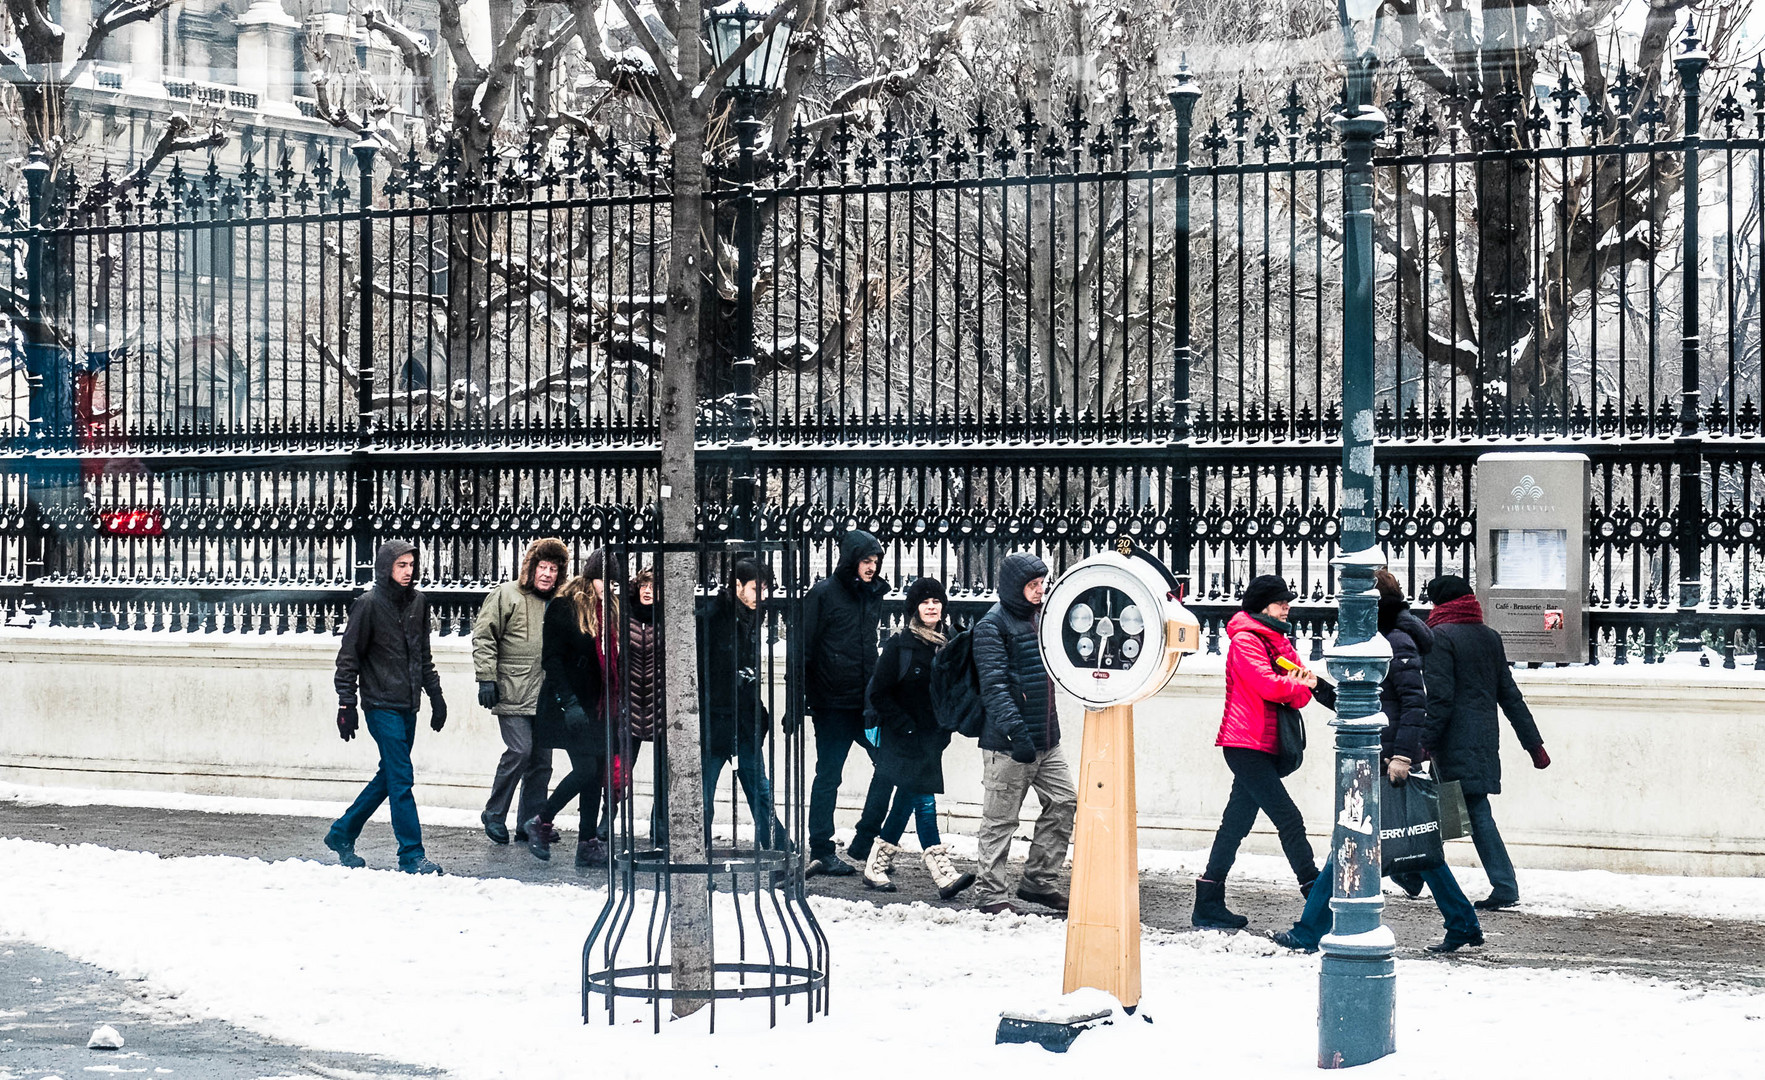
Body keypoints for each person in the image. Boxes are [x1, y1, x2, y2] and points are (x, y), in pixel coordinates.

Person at [1272, 570, 1483, 954]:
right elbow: (1359, 704)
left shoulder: (1396, 640)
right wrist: (1317, 685)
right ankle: (1463, 921)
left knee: (1350, 843)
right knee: (1415, 843)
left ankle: (1307, 932)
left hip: (1388, 759)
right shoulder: (1374, 641)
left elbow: (1415, 703)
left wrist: (1403, 755)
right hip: (1375, 756)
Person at [1191, 574, 1319, 930]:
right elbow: (1269, 685)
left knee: (1235, 823)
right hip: (1245, 744)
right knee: (1289, 818)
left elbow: (1303, 688)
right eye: (1281, 603)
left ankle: (1208, 901)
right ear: (1264, 605)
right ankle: (1316, 893)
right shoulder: (1246, 641)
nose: (1287, 608)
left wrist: (1293, 687)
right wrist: (1294, 686)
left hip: (1266, 744)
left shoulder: (1277, 642)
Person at [1415, 574, 1550, 911]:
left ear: (1438, 603)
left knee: (1469, 813)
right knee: (1447, 813)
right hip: (1483, 740)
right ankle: (1418, 874)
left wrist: (1423, 744)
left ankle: (1501, 885)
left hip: (1452, 743)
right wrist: (1533, 745)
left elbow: (1440, 699)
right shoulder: (1489, 636)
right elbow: (1509, 695)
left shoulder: (1439, 636)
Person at [848, 576, 976, 899]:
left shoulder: (948, 644)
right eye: (925, 602)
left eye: (936, 601)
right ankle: (941, 870)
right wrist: (904, 724)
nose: (931, 606)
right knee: (924, 800)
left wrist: (947, 726)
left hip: (932, 740)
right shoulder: (899, 646)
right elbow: (878, 693)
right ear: (914, 608)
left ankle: (875, 866)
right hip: (903, 738)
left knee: (905, 799)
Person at [326, 539, 446, 875]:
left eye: (411, 565)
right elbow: (348, 657)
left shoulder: (418, 603)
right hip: (380, 704)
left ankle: (341, 833)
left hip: (409, 704)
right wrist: (346, 703)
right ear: (386, 567)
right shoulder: (368, 604)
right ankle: (412, 854)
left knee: (390, 776)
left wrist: (435, 696)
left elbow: (423, 655)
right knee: (402, 778)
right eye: (401, 565)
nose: (408, 572)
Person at [971, 552, 1077, 915]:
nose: (1039, 591)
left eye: (1041, 584)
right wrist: (1018, 734)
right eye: (1033, 585)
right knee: (1001, 819)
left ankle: (1038, 882)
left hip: (1047, 738)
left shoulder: (1040, 619)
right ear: (1015, 587)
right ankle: (990, 893)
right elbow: (994, 687)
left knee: (1064, 801)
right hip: (1009, 744)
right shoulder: (992, 626)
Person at [794, 530, 889, 877]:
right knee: (828, 776)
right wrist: (796, 700)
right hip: (832, 704)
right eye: (866, 561)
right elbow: (801, 649)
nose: (872, 567)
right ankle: (821, 848)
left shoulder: (872, 594)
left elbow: (870, 648)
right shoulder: (822, 594)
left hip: (866, 706)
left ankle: (866, 839)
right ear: (851, 560)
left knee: (890, 766)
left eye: (876, 561)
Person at [524, 548, 618, 868]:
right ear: (590, 575)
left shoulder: (610, 608)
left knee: (595, 775)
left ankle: (587, 843)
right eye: (602, 578)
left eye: (612, 580)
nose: (607, 585)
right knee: (587, 770)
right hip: (566, 704)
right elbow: (552, 660)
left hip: (596, 705)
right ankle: (541, 820)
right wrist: (571, 703)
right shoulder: (564, 606)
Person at [473, 537, 568, 845]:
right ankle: (493, 813)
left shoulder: (559, 602)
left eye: (554, 569)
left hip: (545, 696)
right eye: (543, 566)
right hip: (511, 691)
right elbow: (484, 636)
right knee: (520, 750)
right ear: (531, 567)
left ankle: (530, 822)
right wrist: (486, 678)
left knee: (542, 763)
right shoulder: (506, 595)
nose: (547, 574)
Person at [700, 558, 787, 849]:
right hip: (715, 719)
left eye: (765, 589)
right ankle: (694, 847)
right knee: (703, 794)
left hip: (742, 718)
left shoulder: (749, 616)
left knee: (759, 787)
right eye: (755, 588)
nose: (762, 596)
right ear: (736, 585)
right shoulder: (714, 616)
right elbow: (704, 669)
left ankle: (775, 843)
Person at [623, 566, 662, 845]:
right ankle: (606, 821)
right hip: (629, 701)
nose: (648, 591)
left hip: (660, 702)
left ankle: (659, 827)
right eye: (644, 585)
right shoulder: (624, 617)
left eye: (653, 586)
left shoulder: (668, 618)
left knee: (663, 771)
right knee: (621, 767)